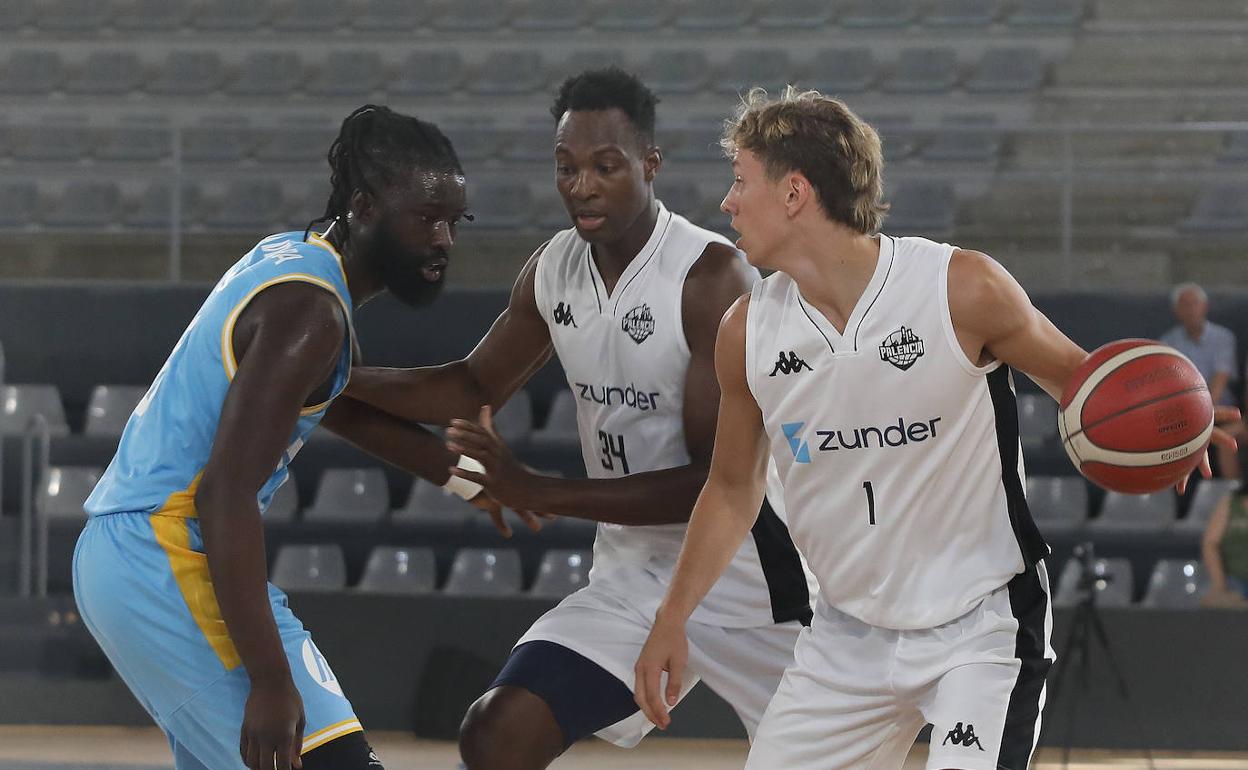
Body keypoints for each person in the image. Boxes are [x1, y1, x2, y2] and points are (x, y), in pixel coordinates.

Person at [633, 87, 1242, 770]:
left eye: (741, 181)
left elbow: (1084, 385)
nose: (727, 202)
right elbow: (730, 487)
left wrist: (1175, 422)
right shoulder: (745, 333)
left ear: (795, 192)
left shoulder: (961, 288)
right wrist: (672, 616)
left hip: (978, 628)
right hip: (843, 636)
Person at [344, 69, 815, 770]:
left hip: (755, 585)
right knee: (498, 734)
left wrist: (539, 491)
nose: (583, 185)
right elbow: (471, 385)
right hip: (633, 579)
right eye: (566, 168)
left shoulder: (709, 279)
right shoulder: (553, 269)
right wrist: (332, 379)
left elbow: (711, 484)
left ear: (649, 164)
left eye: (606, 165)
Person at [74, 105, 504, 770]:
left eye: (455, 220)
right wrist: (272, 682)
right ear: (364, 207)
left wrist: (463, 478)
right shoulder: (313, 310)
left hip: (136, 553)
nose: (444, 238)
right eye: (426, 218)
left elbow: (323, 403)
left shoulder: (291, 260)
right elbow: (224, 494)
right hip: (162, 551)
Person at [1161, 282, 1243, 480]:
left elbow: (1220, 378)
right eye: (1184, 305)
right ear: (1176, 311)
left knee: (1228, 439)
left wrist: (1204, 413)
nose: (1190, 309)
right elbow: (1170, 387)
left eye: (1194, 303)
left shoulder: (1223, 337)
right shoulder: (1167, 343)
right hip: (1183, 415)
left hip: (1222, 412)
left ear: (1204, 307)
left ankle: (1233, 500)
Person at [1202, 490, 1248, 607]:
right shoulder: (1231, 503)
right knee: (1213, 602)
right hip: (1234, 580)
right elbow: (1210, 544)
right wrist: (1220, 586)